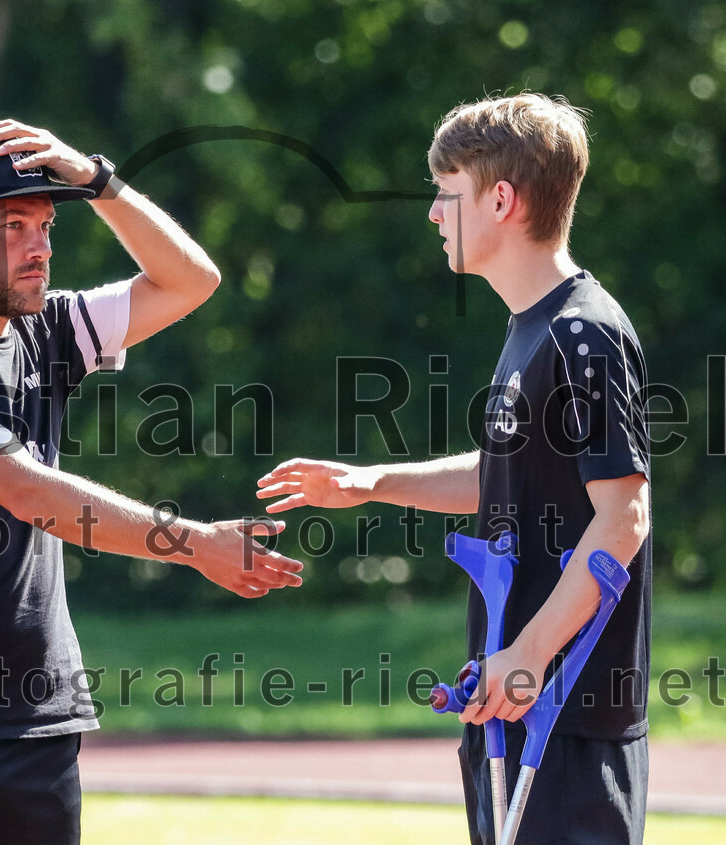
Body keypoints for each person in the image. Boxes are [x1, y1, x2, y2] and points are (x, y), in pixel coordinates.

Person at [0, 119, 303, 845]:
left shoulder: (44, 329)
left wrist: (100, 181)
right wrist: (195, 542)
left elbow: (190, 280)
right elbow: (31, 493)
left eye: (46, 225)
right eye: (13, 225)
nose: (40, 245)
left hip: (40, 726)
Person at [257, 93, 651, 844]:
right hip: (512, 707)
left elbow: (624, 514)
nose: (435, 214)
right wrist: (370, 483)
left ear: (501, 199)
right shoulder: (531, 328)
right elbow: (510, 472)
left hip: (565, 719)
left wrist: (530, 654)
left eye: (447, 195)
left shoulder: (584, 334)